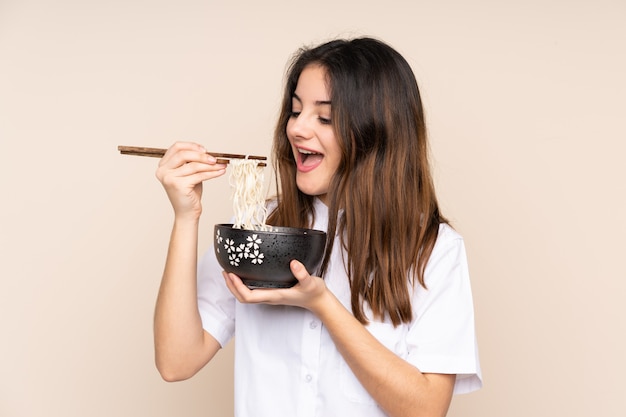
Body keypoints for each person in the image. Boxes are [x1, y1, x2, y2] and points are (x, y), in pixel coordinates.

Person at [153, 37, 482, 417]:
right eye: (296, 111)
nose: (296, 129)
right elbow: (176, 361)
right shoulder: (260, 230)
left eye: (324, 117)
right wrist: (185, 216)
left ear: (375, 134)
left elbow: (426, 409)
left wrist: (322, 304)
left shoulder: (433, 249)